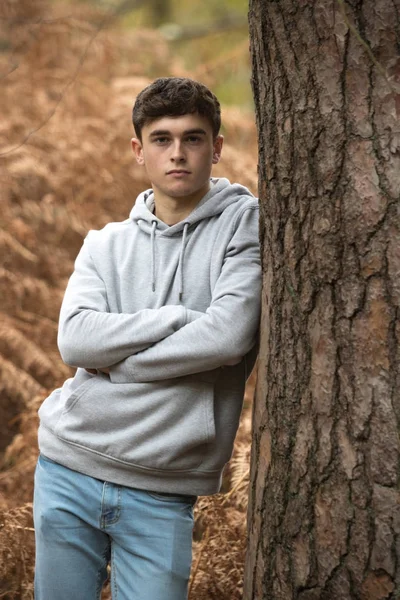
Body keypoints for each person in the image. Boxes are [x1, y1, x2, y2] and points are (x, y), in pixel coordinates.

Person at [33, 76, 261, 600]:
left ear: (217, 148)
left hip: (163, 486)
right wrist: (177, 317)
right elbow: (76, 341)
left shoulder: (242, 226)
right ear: (139, 150)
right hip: (68, 466)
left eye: (193, 137)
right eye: (161, 139)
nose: (177, 153)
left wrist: (124, 363)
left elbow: (226, 337)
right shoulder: (104, 245)